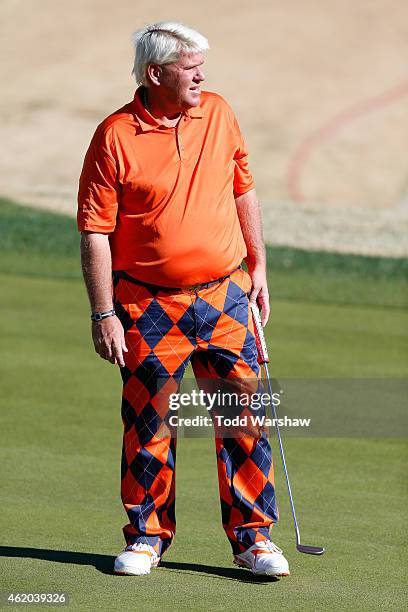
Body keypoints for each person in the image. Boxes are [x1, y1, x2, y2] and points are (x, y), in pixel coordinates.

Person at [77, 21, 290, 578]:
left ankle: (253, 539)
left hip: (225, 296)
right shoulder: (115, 136)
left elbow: (242, 186)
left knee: (243, 416)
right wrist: (104, 313)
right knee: (149, 423)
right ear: (155, 74)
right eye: (189, 66)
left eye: (201, 65)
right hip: (147, 304)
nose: (201, 75)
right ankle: (146, 535)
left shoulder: (218, 111)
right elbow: (96, 232)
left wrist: (259, 263)